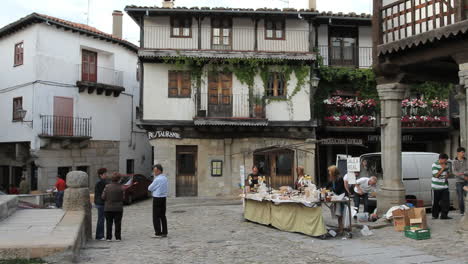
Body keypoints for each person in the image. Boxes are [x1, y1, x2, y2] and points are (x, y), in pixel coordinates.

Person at [325, 165, 347, 234]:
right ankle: (340, 227)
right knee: (338, 214)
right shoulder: (332, 179)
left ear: (333, 172)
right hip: (336, 197)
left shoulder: (339, 178)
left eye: (329, 171)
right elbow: (327, 186)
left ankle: (341, 228)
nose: (329, 173)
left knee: (340, 213)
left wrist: (331, 191)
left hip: (341, 197)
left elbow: (338, 189)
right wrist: (325, 189)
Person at [101, 173, 124, 241]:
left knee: (109, 223)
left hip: (108, 207)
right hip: (118, 208)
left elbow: (103, 197)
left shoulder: (107, 187)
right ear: (119, 179)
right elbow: (123, 198)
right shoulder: (121, 187)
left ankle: (109, 237)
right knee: (118, 223)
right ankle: (118, 237)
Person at [148, 164, 168, 238]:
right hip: (163, 197)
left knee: (156, 216)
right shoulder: (165, 178)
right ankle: (165, 232)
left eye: (155, 171)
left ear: (159, 171)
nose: (154, 172)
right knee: (163, 215)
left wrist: (154, 189)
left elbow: (149, 188)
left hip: (157, 198)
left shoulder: (157, 179)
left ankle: (158, 232)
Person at [432, 153, 451, 219]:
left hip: (445, 186)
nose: (446, 161)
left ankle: (444, 215)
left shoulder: (447, 165)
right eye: (445, 160)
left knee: (446, 201)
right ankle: (435, 215)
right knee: (436, 202)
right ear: (441, 159)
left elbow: (448, 173)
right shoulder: (434, 164)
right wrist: (442, 169)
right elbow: (436, 175)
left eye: (446, 160)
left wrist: (447, 176)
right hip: (436, 186)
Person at [452, 147, 468, 216]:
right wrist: (463, 176)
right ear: (458, 153)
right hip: (459, 182)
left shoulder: (467, 161)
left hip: (467, 181)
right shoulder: (454, 162)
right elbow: (454, 172)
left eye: (464, 152)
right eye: (462, 152)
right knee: (460, 197)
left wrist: (463, 173)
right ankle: (462, 212)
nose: (463, 153)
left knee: (467, 196)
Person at [94, 168, 108, 241]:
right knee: (101, 219)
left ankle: (99, 235)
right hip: (101, 203)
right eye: (105, 174)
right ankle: (99, 235)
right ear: (101, 175)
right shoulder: (101, 182)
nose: (106, 175)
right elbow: (101, 194)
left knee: (101, 219)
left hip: (100, 202)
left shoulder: (101, 182)